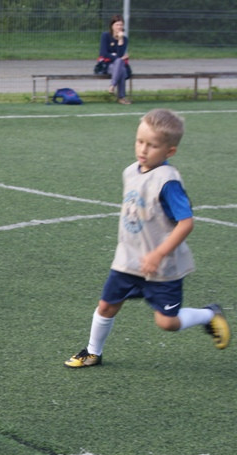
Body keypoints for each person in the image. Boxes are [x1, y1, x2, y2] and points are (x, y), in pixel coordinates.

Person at [65, 109, 230, 368]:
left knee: (167, 322)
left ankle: (209, 314)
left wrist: (158, 254)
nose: (143, 149)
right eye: (140, 141)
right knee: (106, 305)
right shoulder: (130, 171)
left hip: (162, 267)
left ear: (169, 151)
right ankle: (93, 352)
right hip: (128, 260)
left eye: (152, 145)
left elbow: (186, 223)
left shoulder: (168, 182)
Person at [97, 14, 131, 105]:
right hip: (107, 65)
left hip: (118, 66)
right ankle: (121, 97)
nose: (119, 27)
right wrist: (117, 57)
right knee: (121, 66)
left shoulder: (124, 39)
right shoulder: (105, 36)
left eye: (121, 25)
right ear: (112, 26)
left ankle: (112, 85)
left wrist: (120, 40)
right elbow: (103, 53)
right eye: (117, 24)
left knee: (121, 66)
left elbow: (120, 54)